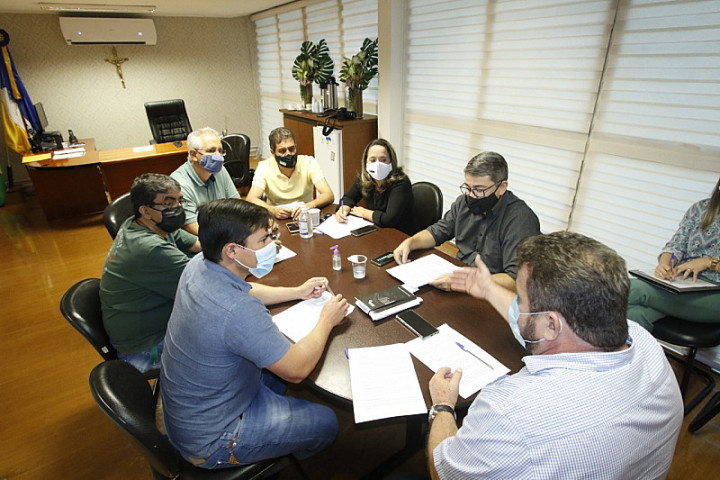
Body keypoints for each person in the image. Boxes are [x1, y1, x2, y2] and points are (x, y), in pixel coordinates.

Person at [420, 232, 683, 480]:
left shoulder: (509, 411)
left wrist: (443, 405)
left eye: (520, 300)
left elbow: (442, 471)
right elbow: (532, 324)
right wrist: (488, 289)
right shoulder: (645, 342)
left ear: (551, 324)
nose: (516, 308)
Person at [160, 198, 348, 469]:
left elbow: (246, 290)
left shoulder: (200, 264)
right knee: (327, 423)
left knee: (275, 375)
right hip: (213, 439)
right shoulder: (237, 310)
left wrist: (297, 292)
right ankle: (280, 459)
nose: (273, 244)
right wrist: (326, 321)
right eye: (263, 240)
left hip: (189, 409)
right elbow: (296, 369)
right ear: (232, 251)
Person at [393, 151, 540, 291]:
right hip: (460, 277)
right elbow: (439, 231)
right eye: (468, 188)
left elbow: (515, 280)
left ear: (502, 187)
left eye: (479, 189)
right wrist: (410, 242)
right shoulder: (464, 202)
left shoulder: (520, 220)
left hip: (493, 293)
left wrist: (466, 281)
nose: (471, 195)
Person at [100, 173, 201, 373]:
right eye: (168, 203)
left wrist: (240, 247)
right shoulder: (149, 248)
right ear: (145, 211)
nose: (177, 208)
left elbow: (199, 245)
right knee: (228, 347)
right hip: (146, 349)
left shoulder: (153, 224)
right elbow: (206, 284)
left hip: (163, 323)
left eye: (180, 201)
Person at [628, 177, 720, 331]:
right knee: (634, 315)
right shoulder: (701, 208)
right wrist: (666, 263)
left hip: (715, 295)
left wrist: (709, 262)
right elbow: (675, 246)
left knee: (634, 289)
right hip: (684, 284)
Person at [246, 127, 334, 219]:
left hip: (304, 215)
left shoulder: (309, 162)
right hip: (277, 217)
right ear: (273, 152)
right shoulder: (264, 167)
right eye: (282, 151)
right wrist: (273, 210)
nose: (288, 154)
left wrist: (310, 205)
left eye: (291, 149)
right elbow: (251, 199)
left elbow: (328, 194)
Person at [334, 138, 415, 235]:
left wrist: (364, 212)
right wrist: (344, 208)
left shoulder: (401, 182)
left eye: (383, 160)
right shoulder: (364, 178)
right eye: (372, 160)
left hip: (401, 235)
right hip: (377, 230)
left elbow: (390, 219)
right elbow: (348, 197)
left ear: (391, 162)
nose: (378, 164)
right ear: (366, 162)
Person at [170, 127, 240, 235]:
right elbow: (192, 227)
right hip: (201, 241)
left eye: (220, 151)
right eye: (211, 151)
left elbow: (238, 206)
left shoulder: (221, 170)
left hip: (223, 231)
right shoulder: (179, 184)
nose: (218, 156)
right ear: (194, 155)